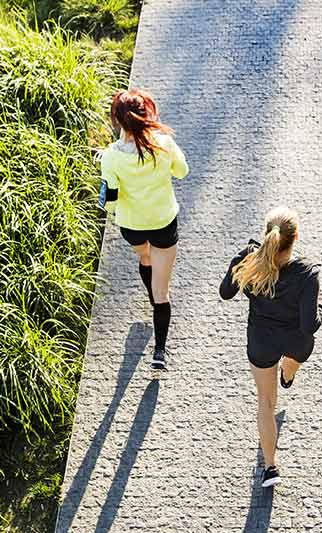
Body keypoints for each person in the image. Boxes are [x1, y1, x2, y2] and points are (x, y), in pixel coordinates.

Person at [220, 207, 322, 488]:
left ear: (266, 233)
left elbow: (225, 292)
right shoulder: (307, 272)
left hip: (262, 340)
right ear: (296, 237)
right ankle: (288, 376)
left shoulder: (250, 260)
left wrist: (240, 257)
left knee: (266, 402)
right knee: (292, 363)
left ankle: (270, 468)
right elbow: (309, 325)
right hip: (295, 341)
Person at [99, 88, 189, 369]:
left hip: (132, 226)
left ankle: (151, 295)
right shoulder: (163, 144)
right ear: (147, 115)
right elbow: (182, 172)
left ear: (117, 121)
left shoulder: (110, 157)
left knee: (144, 257)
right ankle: (159, 352)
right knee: (163, 294)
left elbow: (110, 200)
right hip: (162, 222)